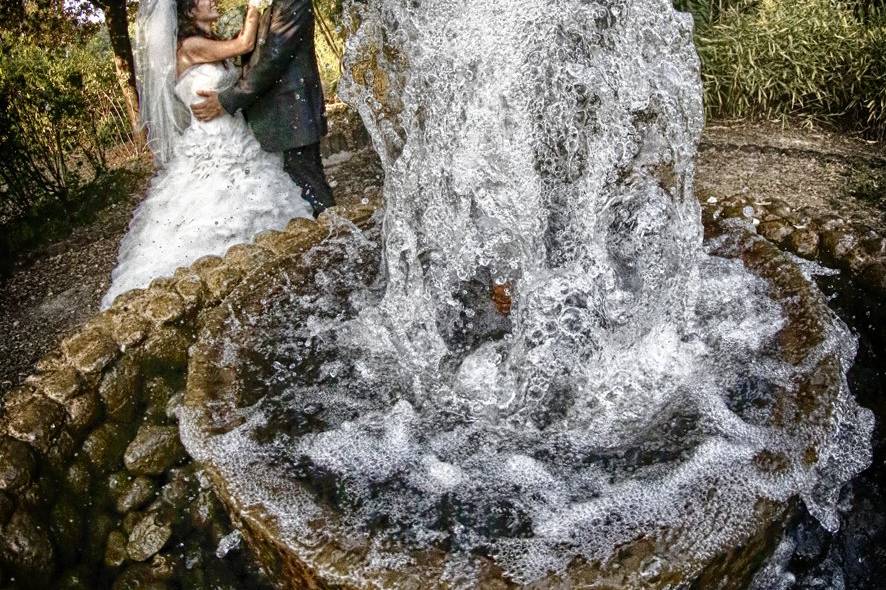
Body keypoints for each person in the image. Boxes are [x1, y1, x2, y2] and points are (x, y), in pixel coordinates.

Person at [101, 0, 315, 309]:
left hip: (236, 137)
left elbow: (243, 53)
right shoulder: (190, 46)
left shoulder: (209, 42)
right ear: (188, 11)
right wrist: (255, 7)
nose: (212, 1)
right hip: (214, 143)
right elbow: (245, 43)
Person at [190, 0, 335, 215]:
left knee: (310, 188)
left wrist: (227, 99)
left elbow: (272, 61)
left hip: (292, 113)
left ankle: (335, 239)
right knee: (295, 196)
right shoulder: (264, 5)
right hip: (269, 117)